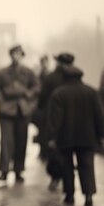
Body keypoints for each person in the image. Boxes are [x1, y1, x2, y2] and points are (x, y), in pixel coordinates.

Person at [47, 65, 104, 206]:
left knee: (66, 166)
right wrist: (102, 134)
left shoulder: (59, 94)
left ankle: (70, 195)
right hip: (87, 137)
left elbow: (55, 119)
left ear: (65, 78)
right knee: (87, 165)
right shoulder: (91, 92)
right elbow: (99, 115)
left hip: (65, 137)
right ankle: (88, 196)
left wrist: (52, 138)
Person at [0, 44, 39, 182]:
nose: (16, 56)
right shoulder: (2, 72)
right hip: (7, 110)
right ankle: (4, 170)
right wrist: (2, 102)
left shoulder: (29, 72)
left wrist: (29, 100)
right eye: (14, 53)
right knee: (6, 142)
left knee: (21, 141)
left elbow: (37, 88)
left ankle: (19, 170)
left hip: (22, 110)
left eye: (18, 54)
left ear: (22, 55)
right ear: (10, 55)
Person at [36, 52, 75, 190]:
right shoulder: (74, 78)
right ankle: (69, 182)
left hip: (52, 118)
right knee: (69, 150)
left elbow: (42, 99)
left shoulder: (50, 78)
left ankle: (55, 177)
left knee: (54, 150)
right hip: (70, 119)